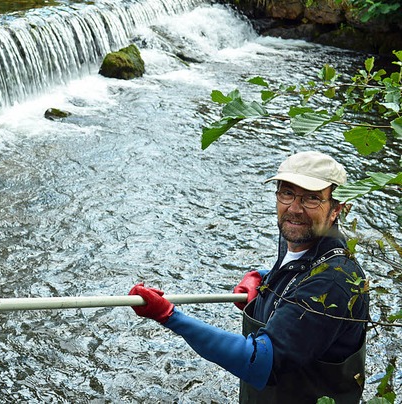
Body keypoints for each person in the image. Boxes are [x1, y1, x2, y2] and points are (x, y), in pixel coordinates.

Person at [129, 151, 369, 403]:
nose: (295, 209)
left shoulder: (332, 282)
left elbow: (259, 361)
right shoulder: (304, 239)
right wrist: (265, 279)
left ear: (335, 209)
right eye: (287, 193)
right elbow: (299, 275)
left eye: (312, 198)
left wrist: (168, 315)